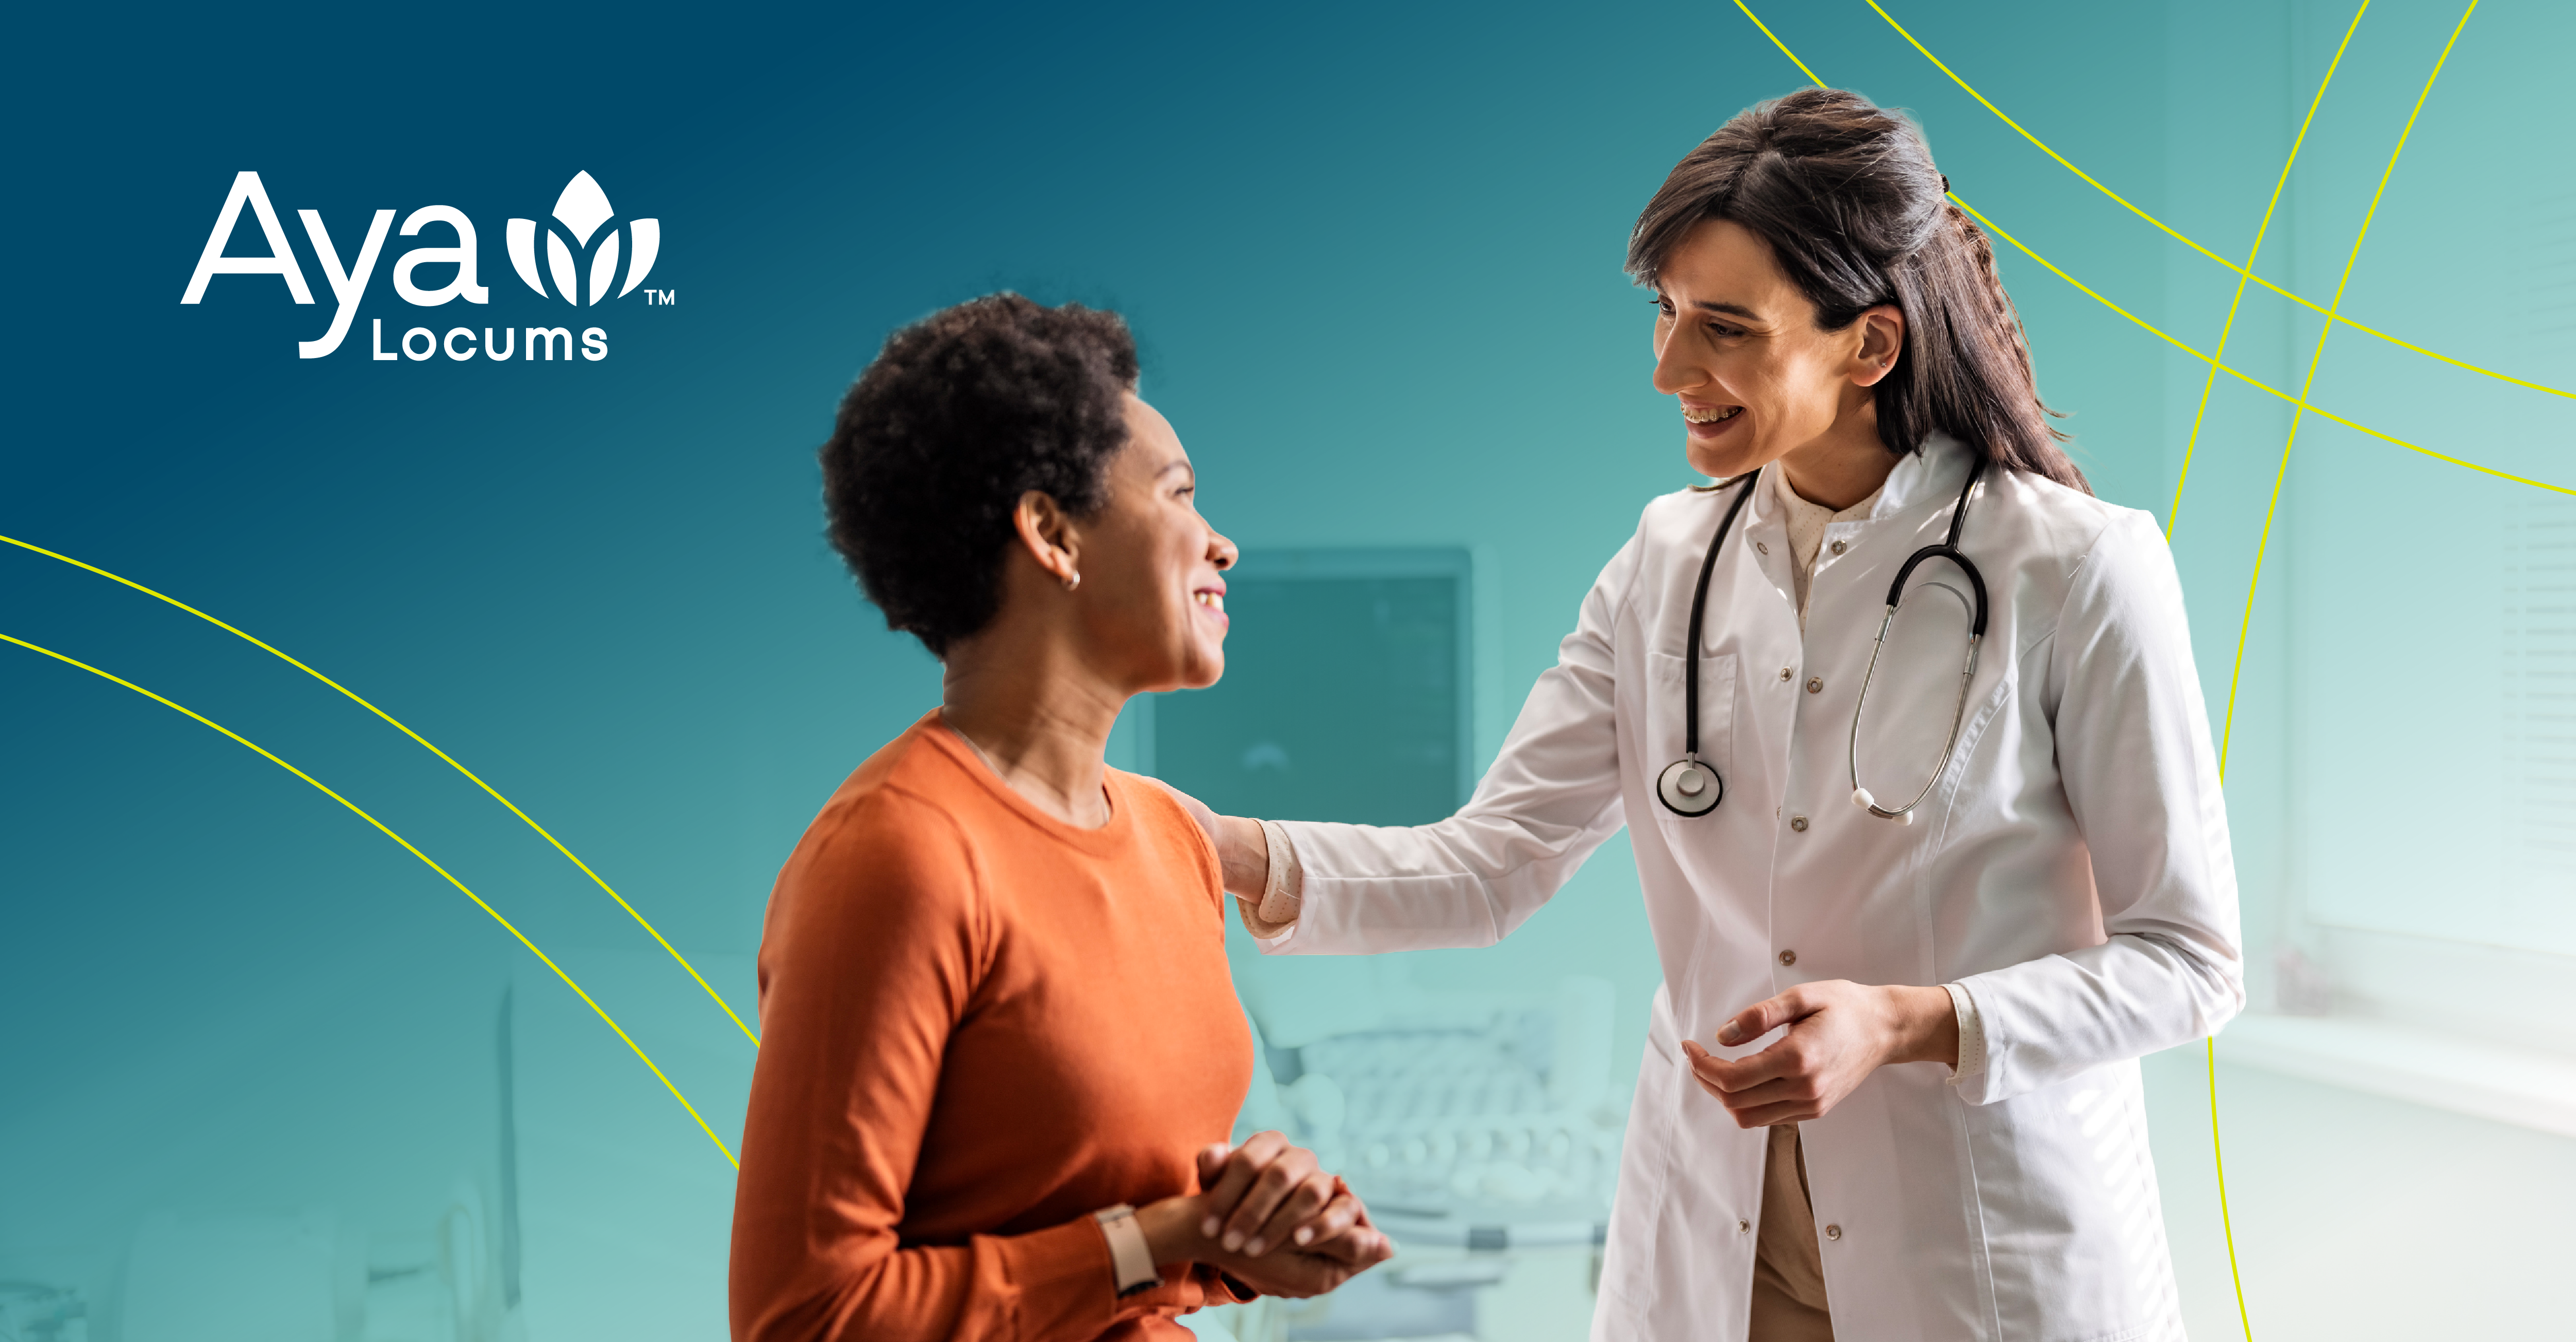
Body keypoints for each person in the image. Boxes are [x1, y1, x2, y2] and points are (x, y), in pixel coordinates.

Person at [1181, 90, 2242, 1341]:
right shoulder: (1665, 561)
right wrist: (1184, 846)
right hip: (1717, 1253)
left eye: (1725, 329)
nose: (1670, 370)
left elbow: (2189, 962)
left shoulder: (2073, 567)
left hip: (1974, 1254)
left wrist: (1909, 1022)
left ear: (1871, 346)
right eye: (1668, 316)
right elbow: (1490, 867)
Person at [728, 295, 1393, 1342]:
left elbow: (1108, 1238)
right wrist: (1164, 1235)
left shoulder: (1171, 840)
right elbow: (806, 1316)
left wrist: (1245, 1236)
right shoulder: (899, 854)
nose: (1220, 544)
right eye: (1179, 496)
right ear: (1050, 532)